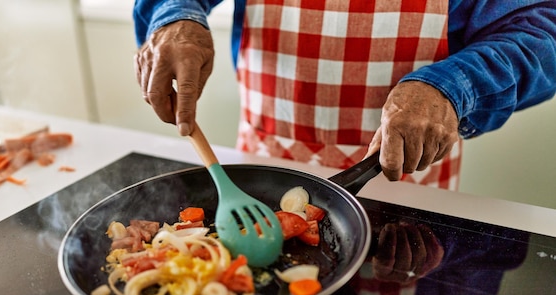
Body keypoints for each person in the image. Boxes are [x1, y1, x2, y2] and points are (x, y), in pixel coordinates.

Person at [132, 0, 556, 189]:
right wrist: (175, 16)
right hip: (263, 167)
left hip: (407, 182)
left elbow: (539, 30)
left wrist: (454, 85)